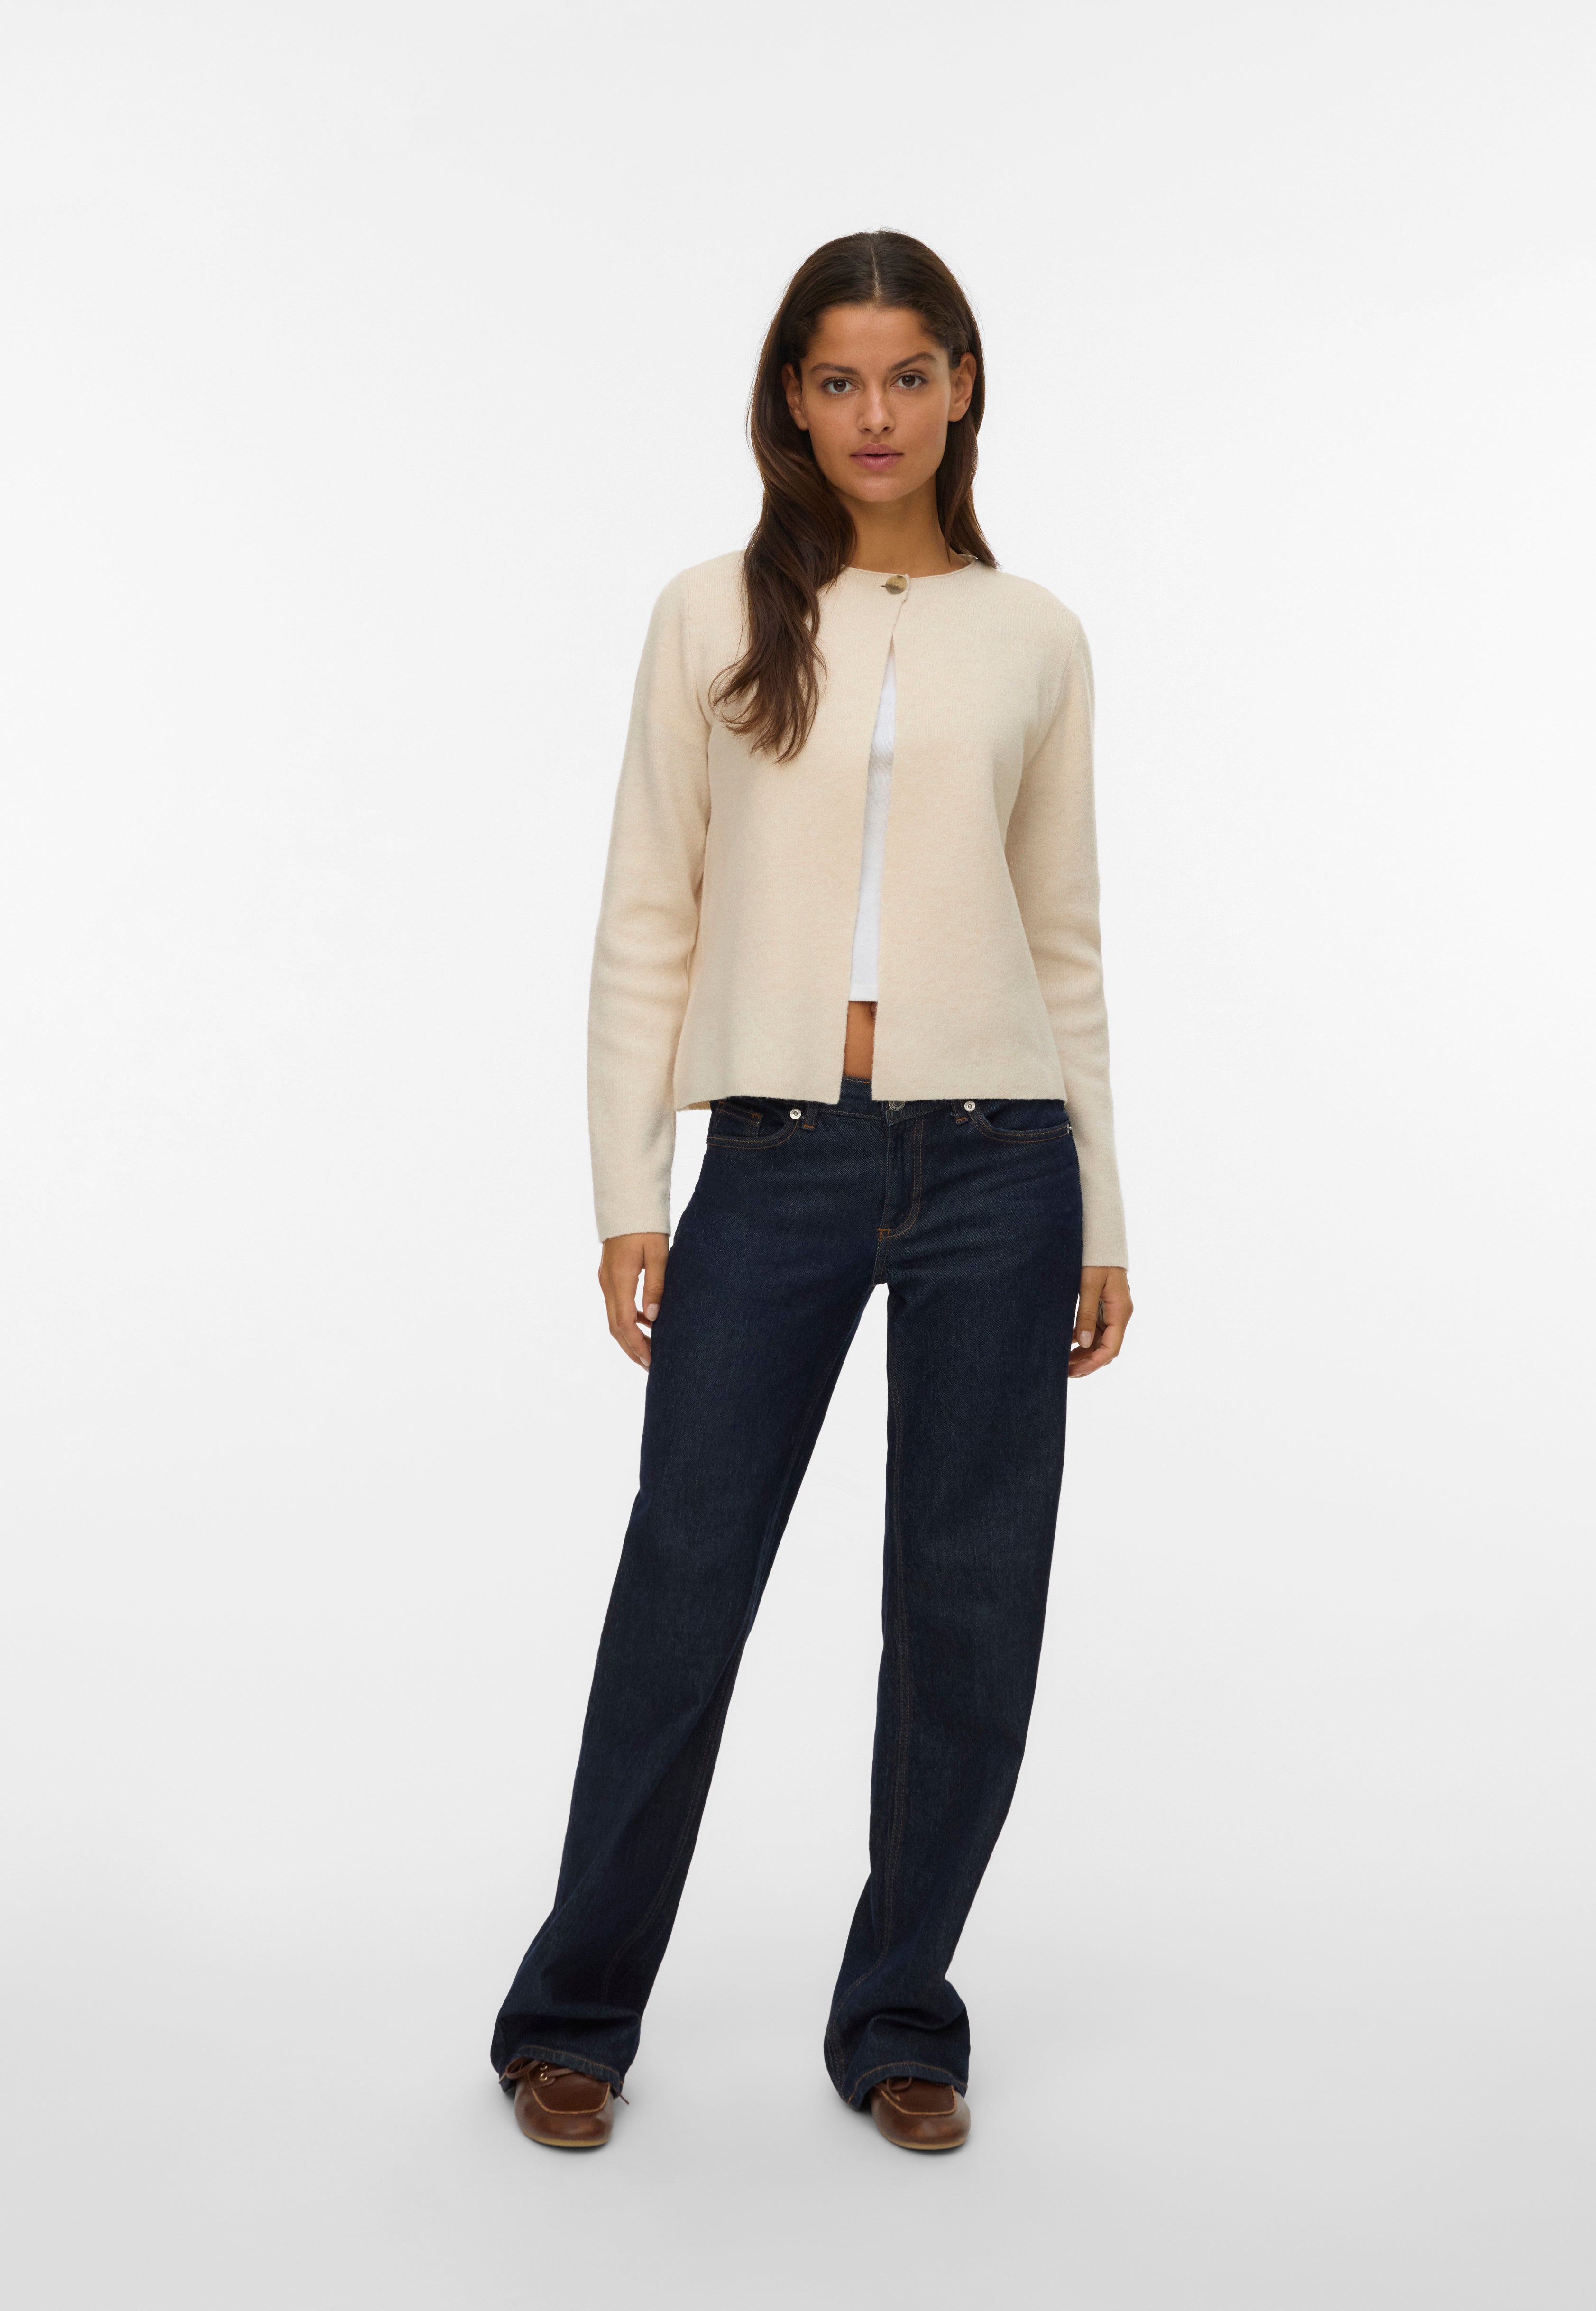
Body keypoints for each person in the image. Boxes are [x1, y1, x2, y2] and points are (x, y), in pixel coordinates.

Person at [491, 229, 1133, 2154]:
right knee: (683, 1582)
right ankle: (573, 2012)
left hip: (1000, 1164)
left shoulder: (1034, 635)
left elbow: (1066, 939)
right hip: (772, 1160)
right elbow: (645, 912)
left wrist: (1104, 1214)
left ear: (962, 388)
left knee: (967, 1606)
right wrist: (628, 1188)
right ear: (792, 394)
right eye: (839, 379)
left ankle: (902, 2015)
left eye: (908, 376)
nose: (875, 413)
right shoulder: (709, 611)